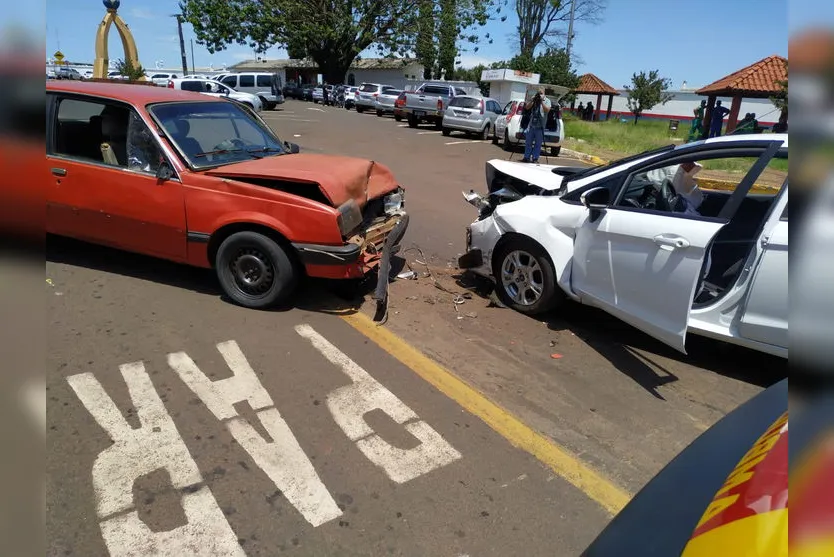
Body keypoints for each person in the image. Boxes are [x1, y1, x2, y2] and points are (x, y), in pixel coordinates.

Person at [521, 86, 551, 163]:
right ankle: (526, 157)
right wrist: (532, 100)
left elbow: (547, 110)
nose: (539, 95)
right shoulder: (535, 100)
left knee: (538, 144)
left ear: (544, 93)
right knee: (528, 143)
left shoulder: (547, 100)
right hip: (531, 125)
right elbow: (527, 108)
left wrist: (541, 102)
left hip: (540, 126)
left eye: (541, 93)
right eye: (538, 93)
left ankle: (535, 158)